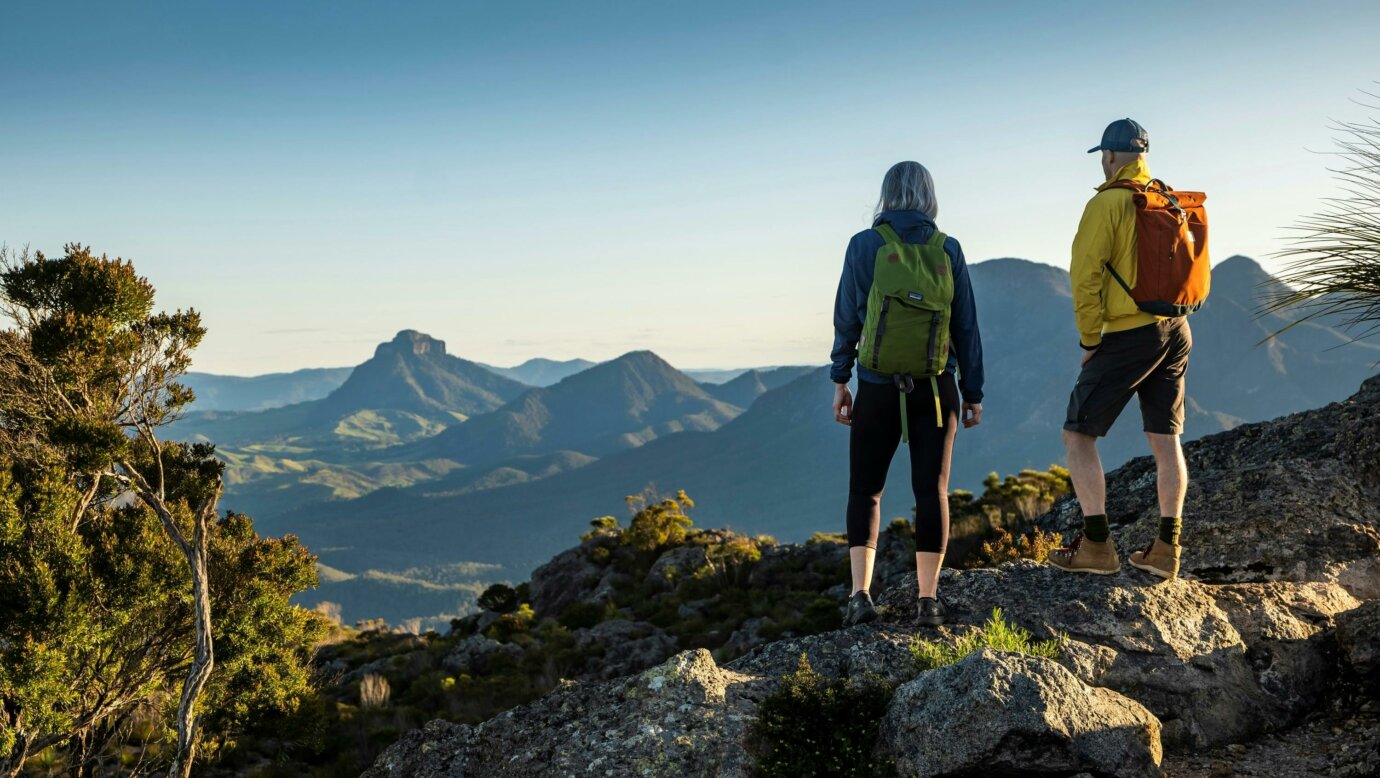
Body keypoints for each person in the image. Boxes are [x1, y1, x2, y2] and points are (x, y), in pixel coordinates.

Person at [830, 160, 985, 627]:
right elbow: (966, 327)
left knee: (866, 490)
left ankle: (860, 596)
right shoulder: (948, 249)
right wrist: (973, 390)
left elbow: (848, 319)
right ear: (929, 197)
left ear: (886, 196)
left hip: (877, 387)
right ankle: (928, 600)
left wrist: (842, 379)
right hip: (937, 391)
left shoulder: (865, 245)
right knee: (931, 491)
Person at [1048, 118, 1191, 579]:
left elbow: (1085, 278)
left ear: (1109, 157)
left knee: (1078, 434)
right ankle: (1167, 549)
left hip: (1129, 334)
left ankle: (1096, 546)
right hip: (1176, 327)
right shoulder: (1165, 196)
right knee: (1166, 440)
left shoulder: (1106, 204)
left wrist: (1090, 340)